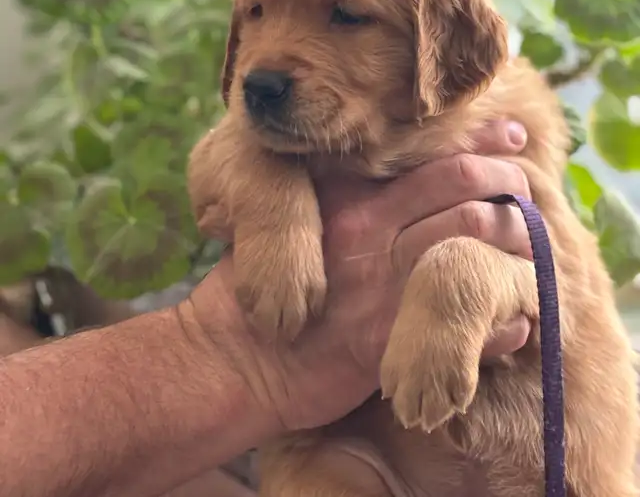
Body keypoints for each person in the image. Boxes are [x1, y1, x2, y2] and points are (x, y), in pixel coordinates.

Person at [0, 120, 533, 497]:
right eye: (253, 12)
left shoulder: (507, 123)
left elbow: (548, 281)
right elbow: (222, 152)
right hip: (342, 453)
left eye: (347, 15)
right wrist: (235, 353)